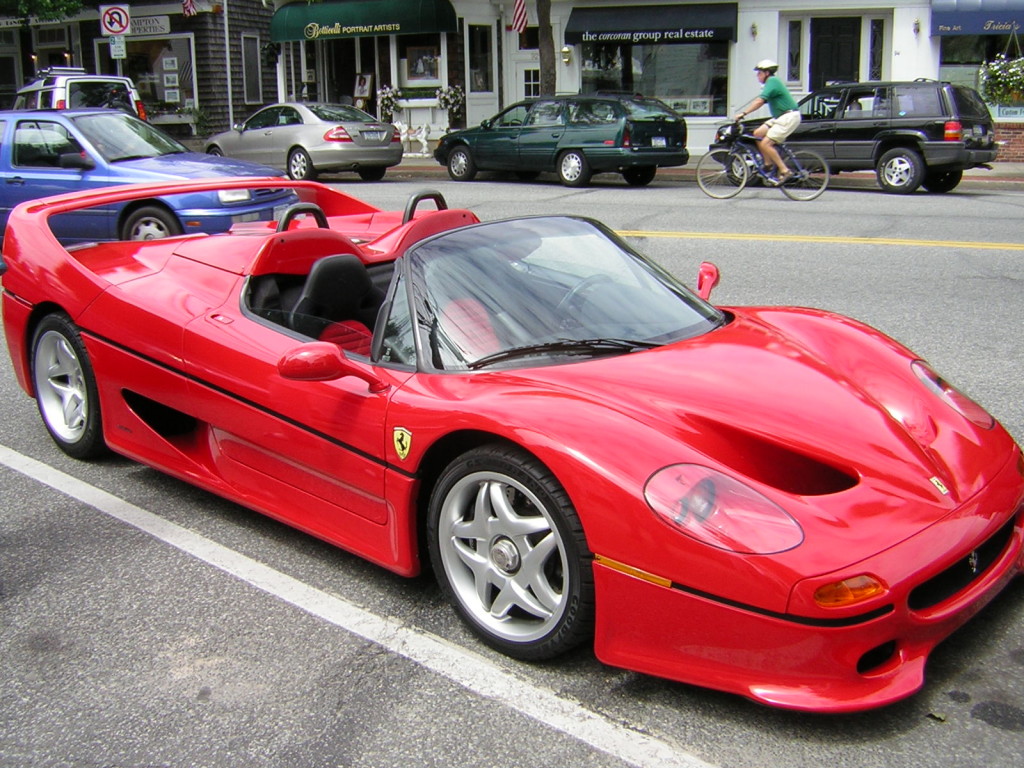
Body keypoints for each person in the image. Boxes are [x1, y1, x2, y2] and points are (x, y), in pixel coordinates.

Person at [734, 59, 800, 183]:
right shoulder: (770, 84)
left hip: (789, 116)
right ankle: (768, 163)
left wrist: (743, 113)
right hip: (780, 117)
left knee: (765, 143)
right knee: (758, 134)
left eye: (759, 73)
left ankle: (785, 170)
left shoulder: (772, 81)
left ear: (767, 73)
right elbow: (761, 100)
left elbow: (759, 101)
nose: (757, 76)